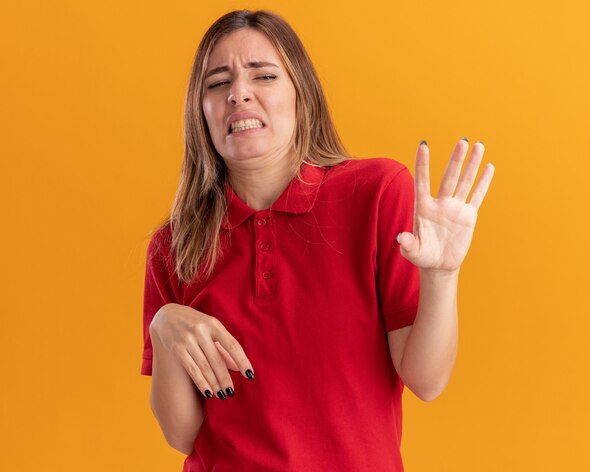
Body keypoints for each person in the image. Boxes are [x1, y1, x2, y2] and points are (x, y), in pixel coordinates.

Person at [140, 9, 494, 472]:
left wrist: (442, 276)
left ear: (301, 94)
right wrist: (164, 328)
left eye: (263, 76)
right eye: (216, 82)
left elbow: (426, 380)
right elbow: (181, 434)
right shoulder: (176, 244)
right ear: (200, 111)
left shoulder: (376, 192)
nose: (238, 94)